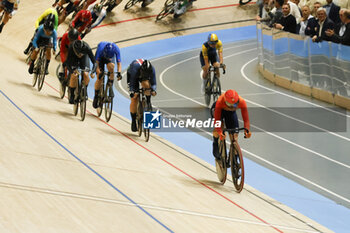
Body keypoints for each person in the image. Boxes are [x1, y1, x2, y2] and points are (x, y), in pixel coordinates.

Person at [212, 90, 251, 160]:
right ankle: (215, 143)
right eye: (230, 105)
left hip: (230, 113)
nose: (232, 107)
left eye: (235, 104)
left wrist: (247, 131)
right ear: (225, 101)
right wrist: (220, 132)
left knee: (234, 136)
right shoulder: (220, 101)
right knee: (220, 126)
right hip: (219, 110)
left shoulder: (242, 102)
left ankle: (234, 155)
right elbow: (217, 121)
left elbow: (246, 120)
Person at [127, 59, 156, 132]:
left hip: (143, 77)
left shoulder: (152, 69)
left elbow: (154, 83)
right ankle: (133, 121)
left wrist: (153, 90)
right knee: (134, 98)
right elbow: (132, 84)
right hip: (132, 75)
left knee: (147, 86)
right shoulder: (135, 69)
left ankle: (148, 102)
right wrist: (133, 92)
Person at [64, 40, 96, 104]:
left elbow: (94, 62)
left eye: (81, 53)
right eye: (78, 53)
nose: (80, 55)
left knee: (86, 74)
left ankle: (85, 90)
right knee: (74, 75)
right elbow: (67, 63)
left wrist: (93, 72)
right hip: (74, 59)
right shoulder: (71, 48)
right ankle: (72, 94)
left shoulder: (87, 47)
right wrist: (72, 71)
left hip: (84, 59)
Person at [92, 42, 122, 108]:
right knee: (99, 78)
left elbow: (119, 63)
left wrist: (119, 73)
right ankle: (96, 96)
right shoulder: (100, 50)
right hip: (101, 58)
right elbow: (96, 64)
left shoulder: (116, 49)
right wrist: (99, 72)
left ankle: (110, 84)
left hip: (110, 58)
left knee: (111, 68)